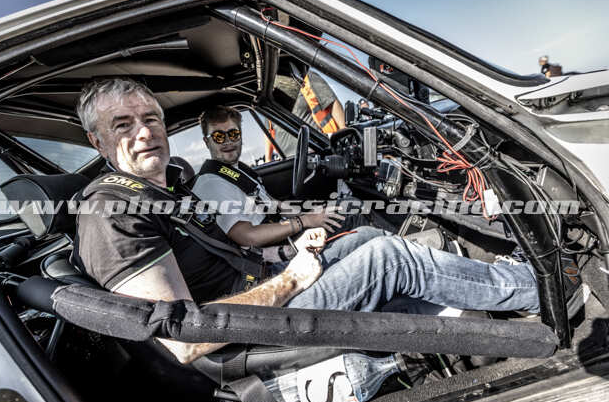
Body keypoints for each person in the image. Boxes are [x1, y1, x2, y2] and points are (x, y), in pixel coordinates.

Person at [73, 78, 540, 366]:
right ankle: (534, 288)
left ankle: (482, 321)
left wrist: (289, 254)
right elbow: (184, 342)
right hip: (251, 332)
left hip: (264, 284)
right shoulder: (110, 213)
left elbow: (236, 247)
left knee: (368, 235)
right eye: (123, 125)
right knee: (388, 257)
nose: (145, 132)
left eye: (151, 119)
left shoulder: (170, 187)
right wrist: (291, 278)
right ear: (98, 142)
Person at [194, 105, 395, 257]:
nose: (228, 141)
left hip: (282, 232)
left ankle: (394, 248)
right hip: (275, 252)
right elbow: (247, 237)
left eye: (233, 134)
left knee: (346, 207)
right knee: (354, 218)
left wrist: (310, 214)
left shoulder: (236, 171)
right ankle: (398, 253)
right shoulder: (212, 183)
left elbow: (273, 204)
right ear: (206, 141)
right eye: (219, 136)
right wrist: (304, 221)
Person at [265, 71, 346, 161]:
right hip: (287, 161)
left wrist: (344, 131)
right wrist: (267, 159)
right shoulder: (268, 94)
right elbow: (269, 131)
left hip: (315, 153)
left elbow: (331, 102)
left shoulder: (306, 77)